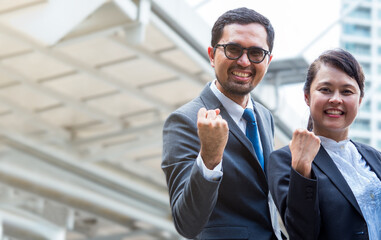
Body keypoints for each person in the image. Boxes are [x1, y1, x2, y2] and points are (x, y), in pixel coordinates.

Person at [162, 7, 281, 240]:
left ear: (268, 60)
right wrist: (210, 157)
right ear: (211, 54)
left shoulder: (264, 116)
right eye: (233, 49)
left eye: (256, 53)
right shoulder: (184, 121)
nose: (244, 62)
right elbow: (187, 223)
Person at [268, 49, 381, 240]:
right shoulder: (284, 160)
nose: (336, 99)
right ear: (307, 96)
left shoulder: (374, 157)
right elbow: (303, 234)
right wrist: (301, 169)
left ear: (360, 100)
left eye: (347, 91)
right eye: (325, 89)